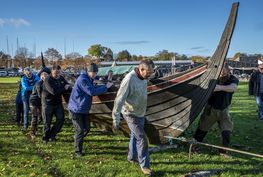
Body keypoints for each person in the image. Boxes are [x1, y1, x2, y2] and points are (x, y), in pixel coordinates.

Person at [112, 59, 155, 176]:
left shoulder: (145, 76)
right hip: (130, 113)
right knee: (142, 138)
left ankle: (131, 157)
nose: (150, 74)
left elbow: (147, 80)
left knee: (134, 136)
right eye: (149, 72)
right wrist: (115, 119)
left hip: (140, 113)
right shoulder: (129, 80)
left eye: (152, 72)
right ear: (141, 69)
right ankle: (145, 166)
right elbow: (119, 100)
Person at [68, 63, 113, 157]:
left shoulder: (89, 79)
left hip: (83, 108)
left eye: (95, 72)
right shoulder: (82, 79)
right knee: (80, 130)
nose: (94, 74)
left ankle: (77, 139)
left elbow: (93, 88)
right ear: (88, 71)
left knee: (87, 128)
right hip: (76, 108)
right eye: (92, 72)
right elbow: (91, 91)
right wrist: (106, 87)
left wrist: (103, 86)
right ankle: (77, 151)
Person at [193, 63, 239, 155]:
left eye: (224, 70)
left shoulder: (232, 78)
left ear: (228, 70)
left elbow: (233, 88)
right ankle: (193, 147)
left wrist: (219, 87)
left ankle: (223, 151)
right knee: (202, 130)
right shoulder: (212, 78)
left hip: (224, 111)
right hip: (211, 110)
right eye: (220, 70)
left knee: (226, 132)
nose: (221, 72)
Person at [41, 65, 71, 143]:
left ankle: (52, 135)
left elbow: (67, 85)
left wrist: (70, 88)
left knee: (61, 119)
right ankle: (46, 138)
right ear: (52, 72)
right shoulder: (48, 80)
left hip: (58, 103)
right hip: (48, 103)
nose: (57, 75)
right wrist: (64, 88)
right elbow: (54, 91)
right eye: (55, 73)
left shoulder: (61, 78)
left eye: (58, 73)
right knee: (47, 122)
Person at [29, 70, 50, 137]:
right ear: (42, 77)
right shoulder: (39, 84)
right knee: (35, 116)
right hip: (34, 102)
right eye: (46, 77)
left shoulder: (44, 83)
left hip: (40, 102)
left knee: (42, 116)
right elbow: (40, 95)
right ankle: (32, 132)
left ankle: (42, 129)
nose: (48, 79)